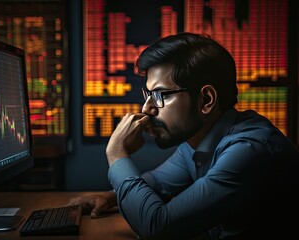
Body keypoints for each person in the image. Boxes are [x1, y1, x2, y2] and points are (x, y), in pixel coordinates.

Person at [68, 33, 299, 239]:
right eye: (148, 94)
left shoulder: (248, 151)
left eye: (160, 95)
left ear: (206, 100)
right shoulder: (200, 139)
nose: (147, 109)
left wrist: (116, 154)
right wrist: (109, 198)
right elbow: (158, 183)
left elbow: (159, 226)